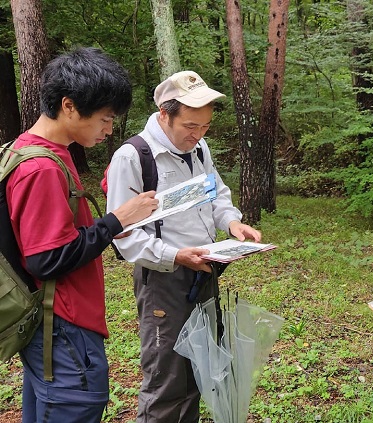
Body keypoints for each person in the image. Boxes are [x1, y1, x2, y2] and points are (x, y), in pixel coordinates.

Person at [7, 47, 158, 423]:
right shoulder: (41, 168)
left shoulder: (35, 151)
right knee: (76, 405)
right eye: (106, 119)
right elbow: (46, 259)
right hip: (61, 324)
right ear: (69, 106)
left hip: (54, 324)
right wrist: (116, 220)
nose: (109, 130)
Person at [105, 70, 261, 423]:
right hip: (164, 281)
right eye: (190, 125)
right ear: (164, 114)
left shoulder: (198, 148)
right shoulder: (133, 157)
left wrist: (231, 221)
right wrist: (175, 255)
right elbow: (123, 233)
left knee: (200, 368)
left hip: (204, 271)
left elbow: (215, 193)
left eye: (205, 127)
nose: (198, 135)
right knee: (168, 378)